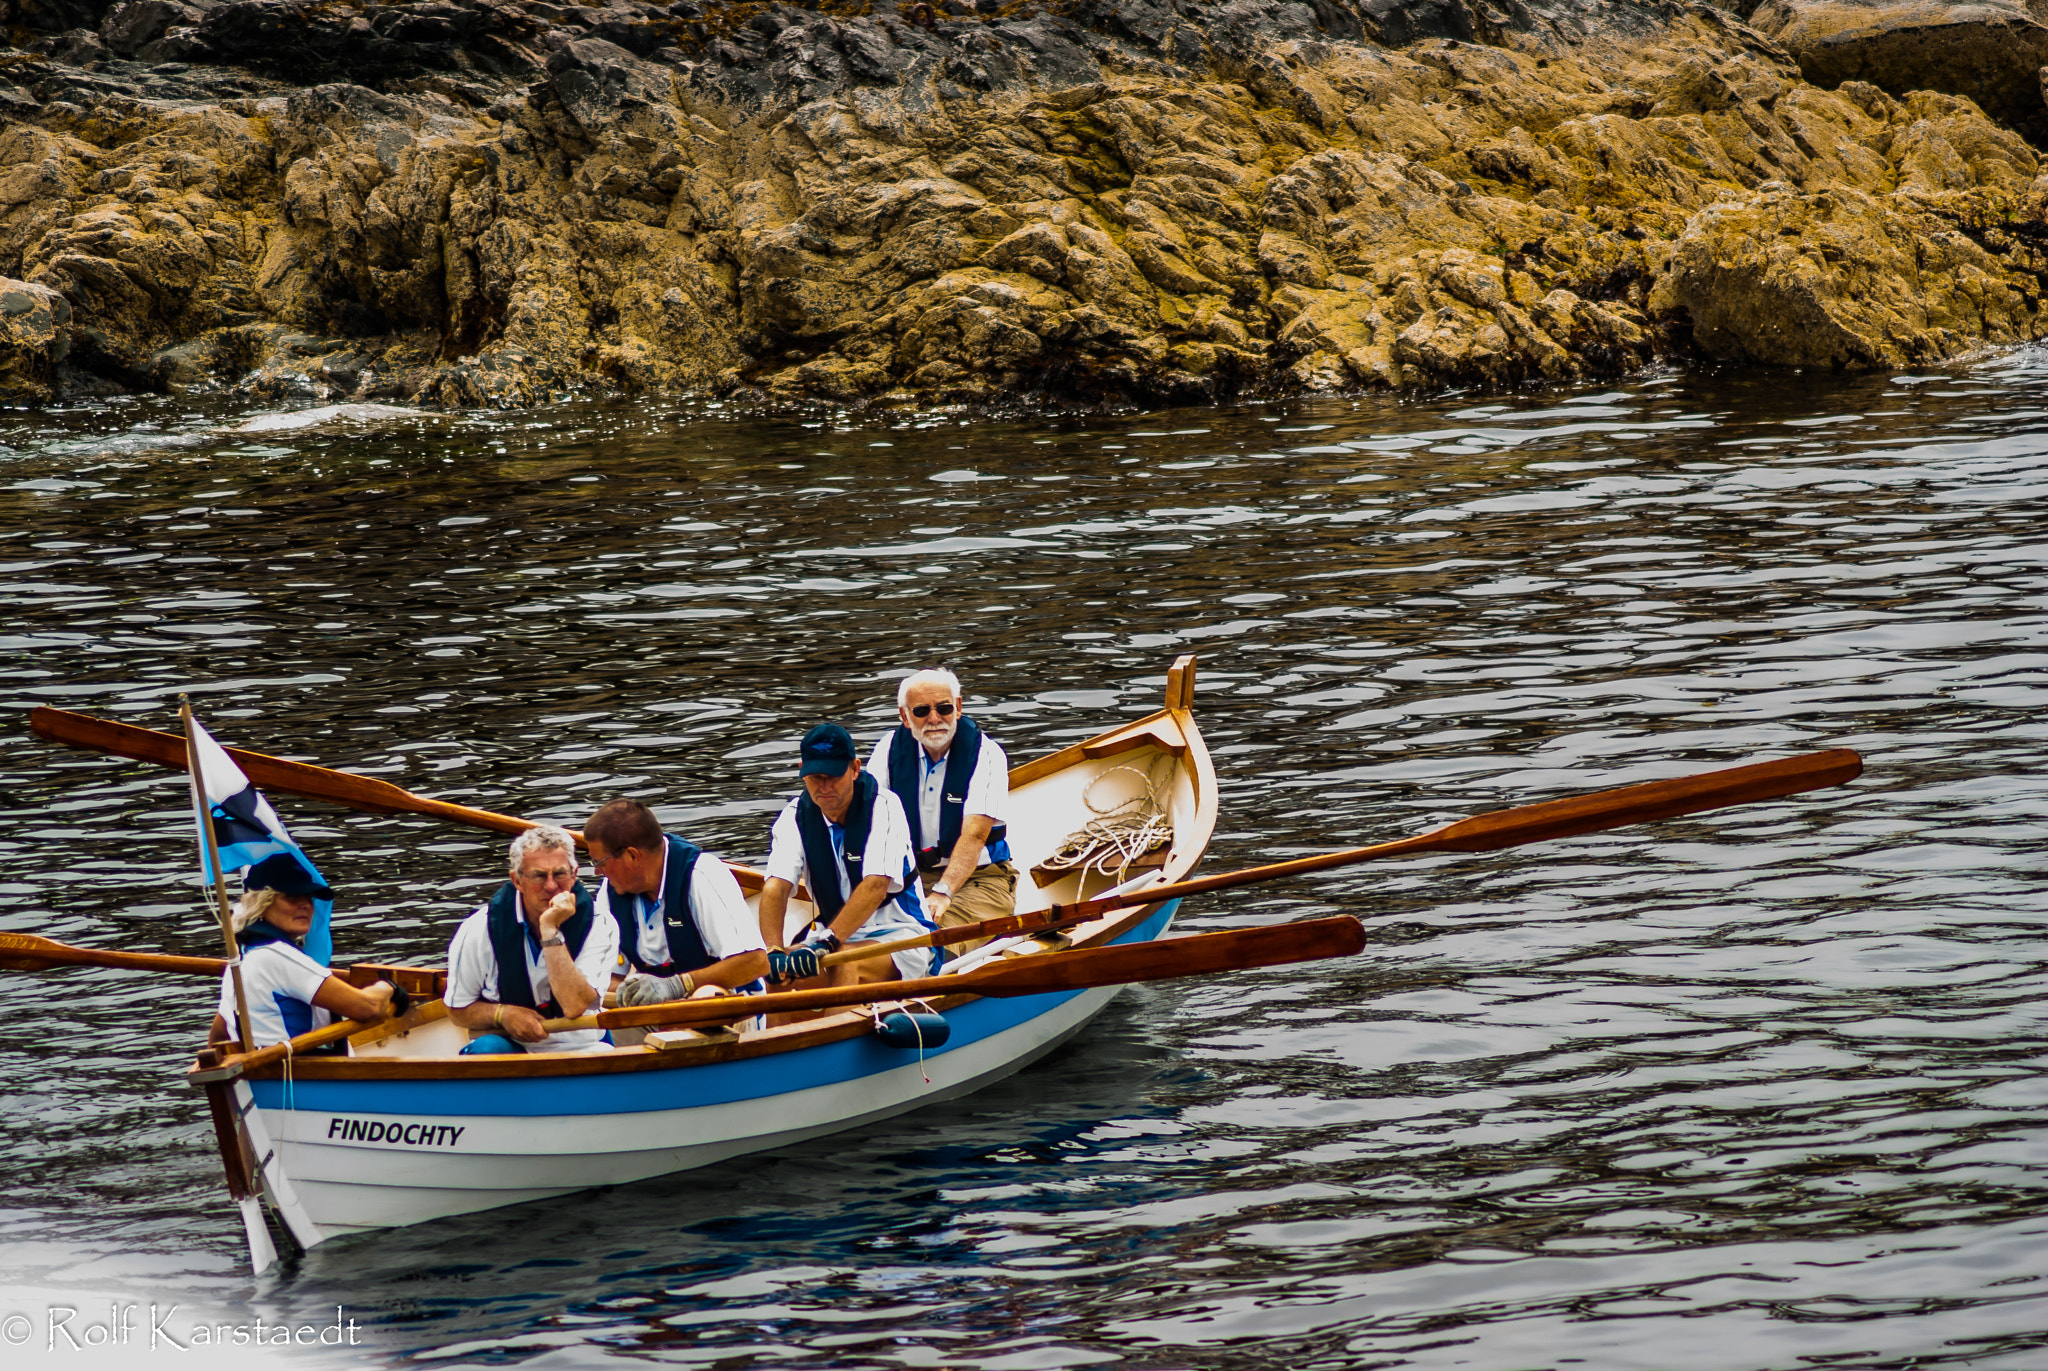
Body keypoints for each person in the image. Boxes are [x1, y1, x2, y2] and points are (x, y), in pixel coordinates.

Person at [758, 723, 938, 988]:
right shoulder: (793, 816)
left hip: (902, 935)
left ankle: (840, 1027)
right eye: (816, 777)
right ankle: (778, 1029)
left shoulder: (884, 806)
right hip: (832, 937)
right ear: (802, 771)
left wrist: (828, 941)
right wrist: (773, 950)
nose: (824, 786)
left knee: (843, 960)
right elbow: (775, 888)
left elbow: (875, 886)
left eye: (833, 775)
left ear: (855, 769)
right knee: (779, 971)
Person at [866, 667, 1015, 954]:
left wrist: (942, 893)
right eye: (921, 711)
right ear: (905, 717)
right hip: (910, 876)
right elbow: (870, 822)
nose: (934, 719)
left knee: (932, 943)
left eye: (944, 708)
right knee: (865, 938)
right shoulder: (888, 751)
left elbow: (974, 835)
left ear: (958, 708)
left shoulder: (987, 754)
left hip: (979, 879)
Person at [445, 824, 619, 1054]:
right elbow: (457, 1010)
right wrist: (503, 1014)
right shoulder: (477, 930)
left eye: (559, 874)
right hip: (509, 1046)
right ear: (517, 881)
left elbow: (574, 1005)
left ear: (574, 875)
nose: (551, 886)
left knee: (604, 1054)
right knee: (486, 1050)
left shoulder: (600, 924)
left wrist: (550, 931)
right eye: (538, 876)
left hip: (584, 1045)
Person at [582, 798, 769, 1007]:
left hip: (731, 1009)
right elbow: (609, 978)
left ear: (632, 856)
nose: (597, 871)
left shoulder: (702, 875)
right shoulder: (610, 891)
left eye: (600, 863)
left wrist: (677, 985)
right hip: (656, 1012)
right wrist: (627, 990)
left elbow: (756, 963)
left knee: (706, 996)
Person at [207, 854, 399, 1049]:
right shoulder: (277, 957)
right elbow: (368, 1007)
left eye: (309, 897)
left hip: (272, 1074)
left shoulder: (239, 961)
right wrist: (389, 987)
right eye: (291, 896)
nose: (305, 905)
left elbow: (219, 1031)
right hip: (305, 1074)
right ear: (262, 905)